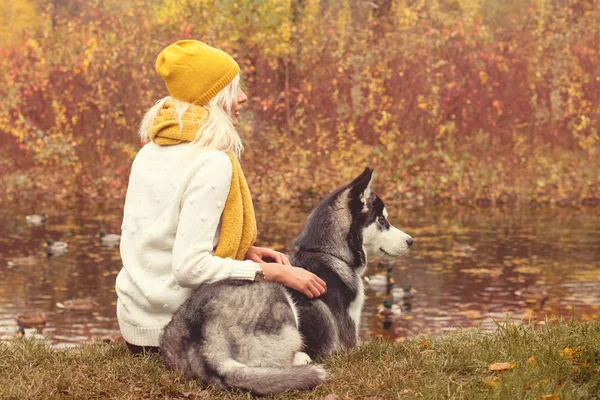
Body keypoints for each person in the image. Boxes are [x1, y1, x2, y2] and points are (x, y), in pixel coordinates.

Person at [115, 40, 327, 354]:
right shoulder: (211, 162)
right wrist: (276, 272)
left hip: (137, 328)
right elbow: (189, 269)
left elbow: (161, 237)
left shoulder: (150, 150)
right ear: (212, 98)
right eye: (233, 88)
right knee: (289, 301)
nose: (243, 97)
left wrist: (244, 250)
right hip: (180, 335)